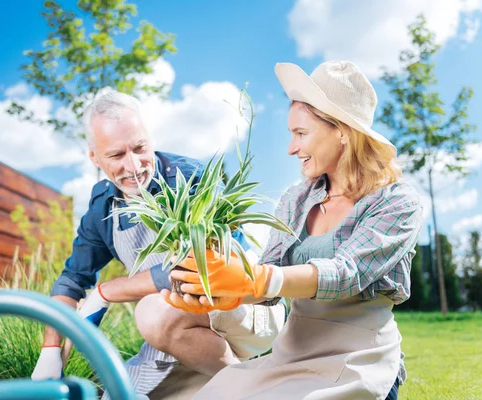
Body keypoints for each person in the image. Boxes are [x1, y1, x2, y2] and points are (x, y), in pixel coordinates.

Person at [166, 60, 423, 399]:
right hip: (292, 356)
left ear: (342, 131)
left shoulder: (397, 202)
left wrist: (259, 278)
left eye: (301, 134)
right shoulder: (296, 198)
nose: (291, 148)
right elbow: (268, 279)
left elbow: (347, 273)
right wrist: (219, 294)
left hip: (359, 363)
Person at [30, 90, 286, 398]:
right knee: (120, 393)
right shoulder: (102, 209)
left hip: (246, 309)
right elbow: (71, 281)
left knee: (152, 311)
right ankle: (231, 383)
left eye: (139, 148)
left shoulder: (189, 179)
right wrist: (50, 349)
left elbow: (198, 267)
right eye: (116, 155)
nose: (134, 165)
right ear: (94, 158)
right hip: (184, 330)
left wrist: (106, 292)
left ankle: (251, 391)